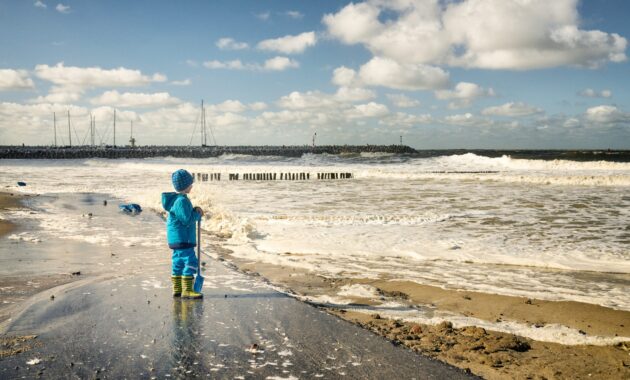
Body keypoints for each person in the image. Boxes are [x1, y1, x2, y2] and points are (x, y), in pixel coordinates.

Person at [162, 169, 204, 299]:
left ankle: (177, 289)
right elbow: (187, 220)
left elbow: (183, 215)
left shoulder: (177, 200)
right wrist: (197, 214)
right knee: (191, 261)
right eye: (191, 184)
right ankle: (187, 290)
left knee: (178, 262)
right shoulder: (182, 201)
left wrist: (193, 210)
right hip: (183, 238)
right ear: (186, 186)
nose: (192, 186)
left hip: (177, 238)